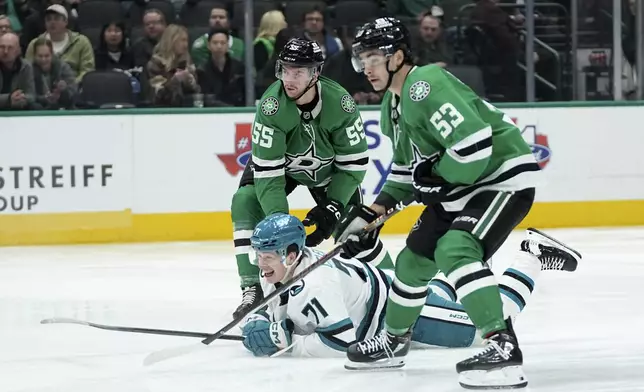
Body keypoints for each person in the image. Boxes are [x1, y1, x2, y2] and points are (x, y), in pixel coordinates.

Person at [333, 17, 581, 389]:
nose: (366, 68)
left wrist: (438, 176)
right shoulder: (393, 104)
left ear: (398, 56)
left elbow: (475, 146)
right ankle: (394, 341)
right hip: (462, 186)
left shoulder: (424, 85)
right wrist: (372, 212)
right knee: (413, 261)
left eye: (374, 58)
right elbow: (406, 169)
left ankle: (502, 347)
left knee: (455, 249)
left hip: (500, 181)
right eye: (362, 59)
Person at [240, 213, 579, 358]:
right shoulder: (282, 270)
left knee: (493, 323)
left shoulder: (314, 285)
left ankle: (531, 255)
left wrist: (285, 343)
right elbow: (283, 313)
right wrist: (263, 323)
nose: (261, 264)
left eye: (268, 256)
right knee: (441, 294)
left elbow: (341, 342)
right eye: (259, 255)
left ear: (293, 253)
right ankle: (475, 263)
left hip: (402, 313)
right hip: (390, 293)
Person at [230, 37, 393, 320]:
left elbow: (353, 165)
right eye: (285, 70)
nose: (289, 79)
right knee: (244, 200)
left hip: (330, 173)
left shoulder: (340, 104)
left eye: (298, 72)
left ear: (315, 74)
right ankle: (253, 289)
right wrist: (282, 231)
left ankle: (393, 288)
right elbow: (269, 176)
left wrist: (333, 207)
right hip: (283, 169)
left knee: (355, 226)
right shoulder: (271, 107)